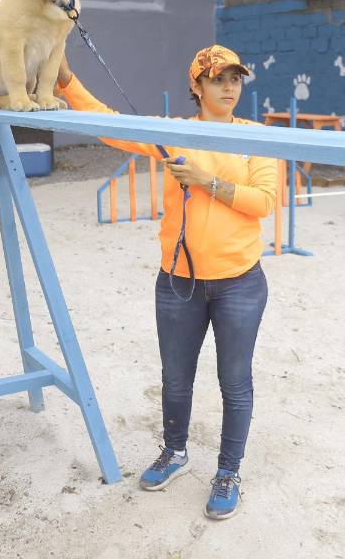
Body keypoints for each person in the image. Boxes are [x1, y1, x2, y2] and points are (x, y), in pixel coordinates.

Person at [55, 44, 277, 520]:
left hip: (240, 283)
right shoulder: (172, 133)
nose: (229, 87)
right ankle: (175, 452)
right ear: (196, 86)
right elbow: (110, 126)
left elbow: (264, 202)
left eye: (235, 78)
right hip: (179, 281)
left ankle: (229, 471)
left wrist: (203, 180)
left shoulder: (256, 136)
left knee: (234, 382)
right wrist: (66, 80)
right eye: (217, 79)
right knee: (176, 379)